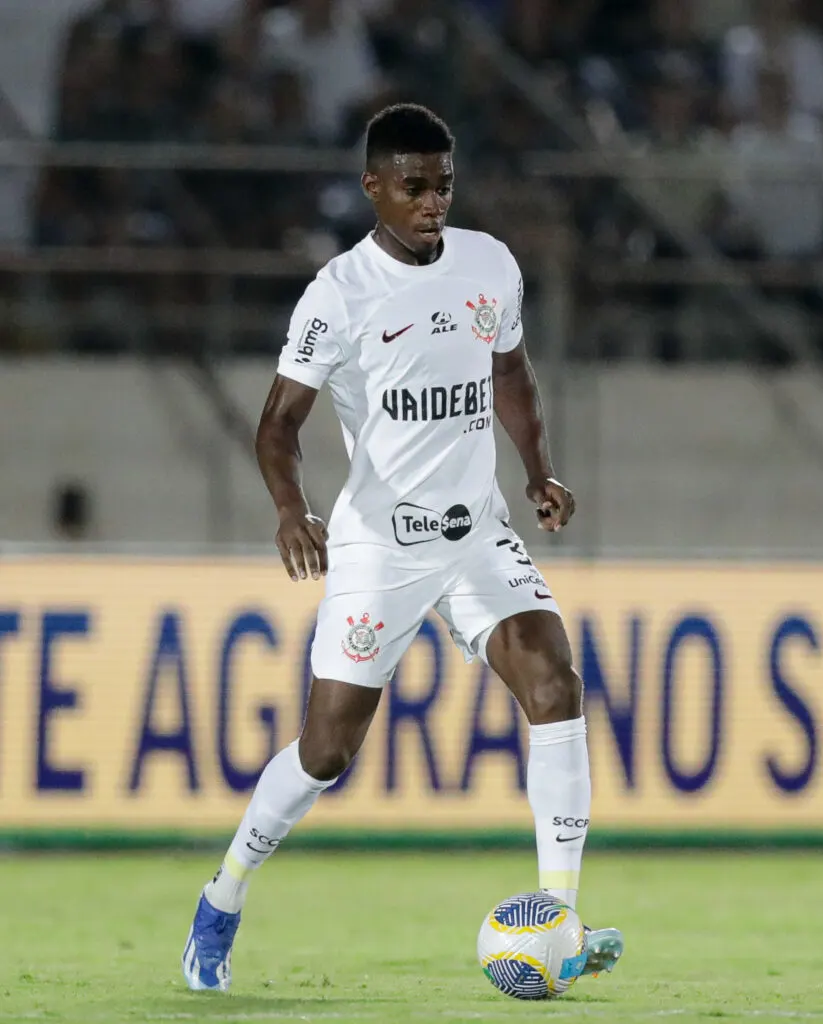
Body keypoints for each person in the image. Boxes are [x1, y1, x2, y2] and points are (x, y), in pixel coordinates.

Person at [180, 103, 623, 992]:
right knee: (324, 756)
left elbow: (510, 372)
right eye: (414, 187)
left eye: (444, 185)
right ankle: (222, 898)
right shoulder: (338, 296)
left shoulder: (489, 265)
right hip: (380, 551)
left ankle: (560, 920)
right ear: (373, 187)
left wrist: (537, 469)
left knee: (554, 677)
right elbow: (277, 425)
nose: (432, 204)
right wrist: (288, 509)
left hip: (476, 534)